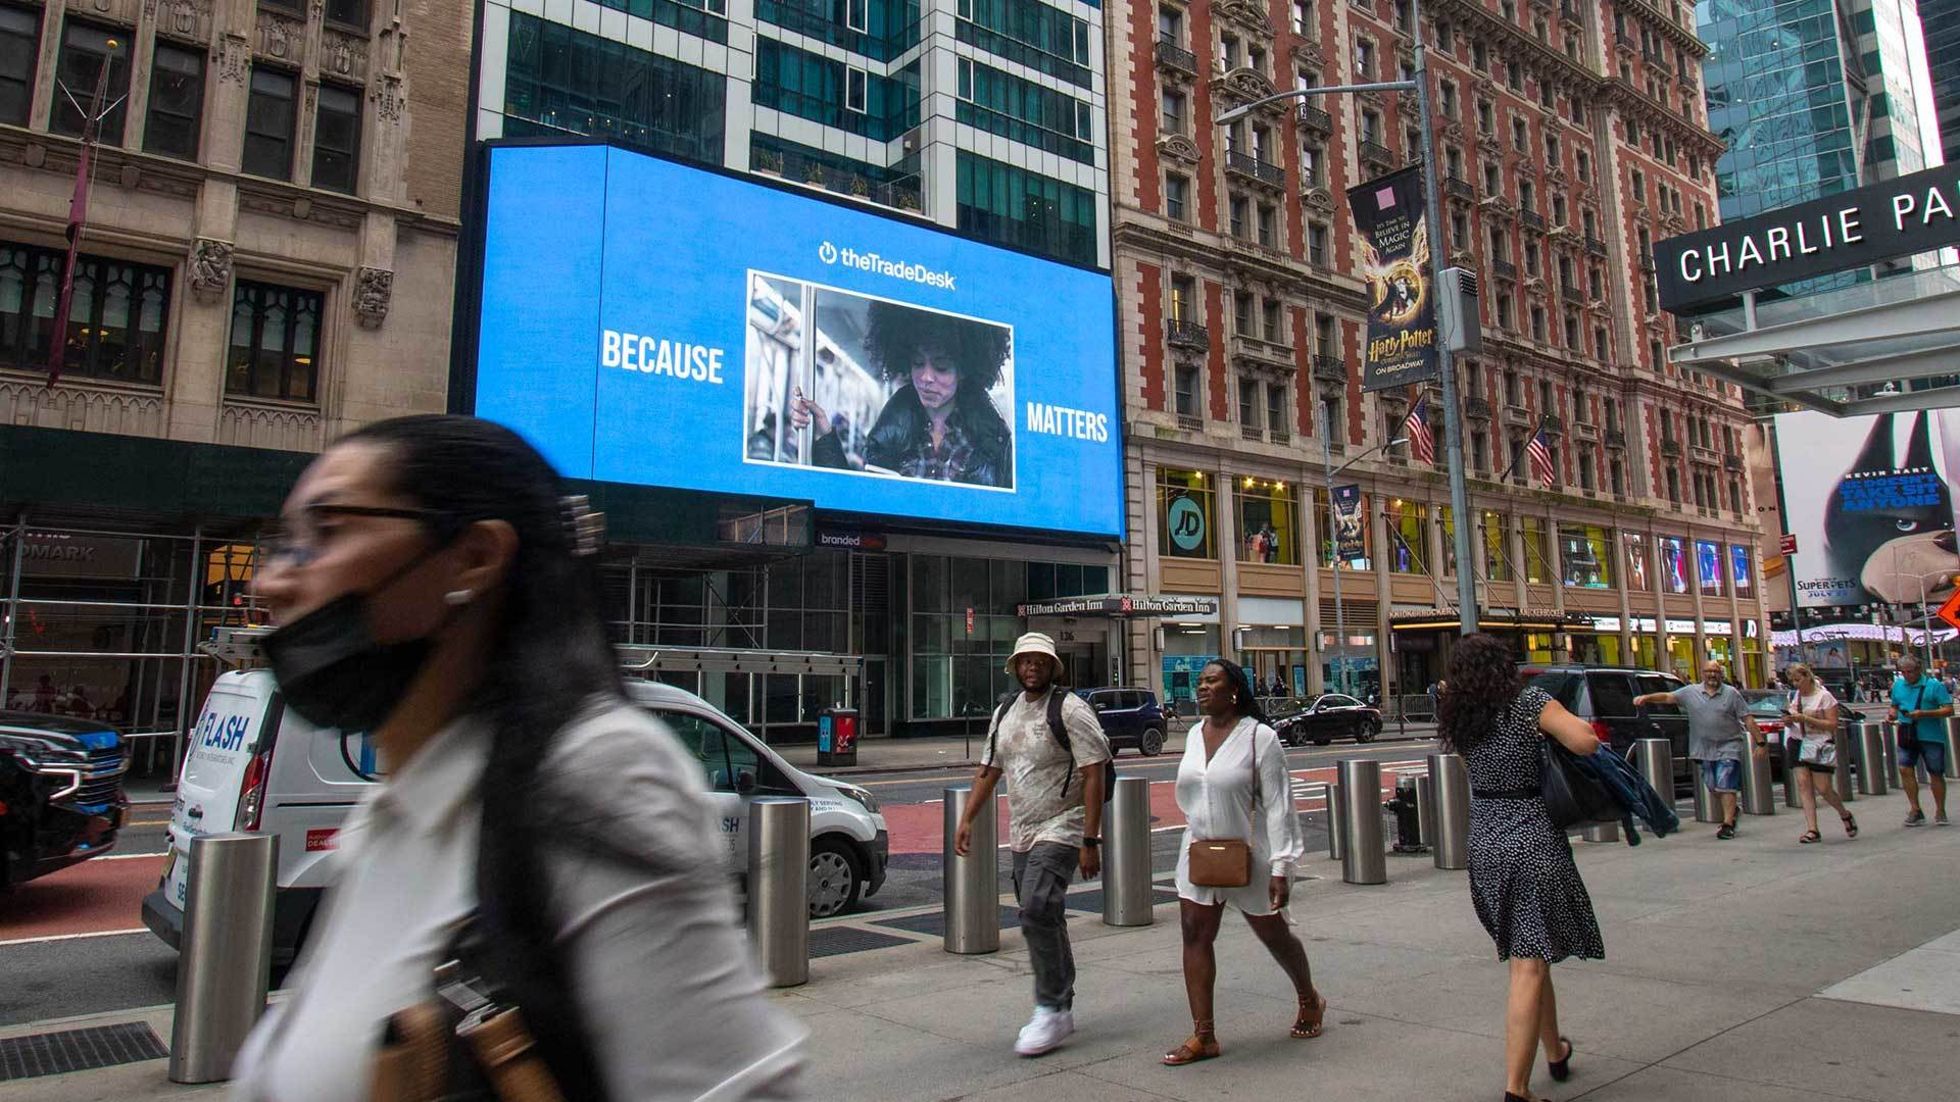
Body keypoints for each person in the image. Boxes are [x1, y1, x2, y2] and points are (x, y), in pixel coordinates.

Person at [230, 416, 803, 1101]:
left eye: (326, 531)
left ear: (473, 557)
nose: (271, 583)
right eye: (284, 542)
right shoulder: (386, 821)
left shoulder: (597, 775)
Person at [1437, 633, 1604, 1102]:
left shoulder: (1461, 716)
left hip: (1485, 839)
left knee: (1530, 952)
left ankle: (1555, 1050)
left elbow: (1474, 771)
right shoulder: (1529, 702)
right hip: (1530, 834)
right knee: (1527, 965)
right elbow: (1586, 742)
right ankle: (1517, 1090)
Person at [954, 632, 1109, 1057]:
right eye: (1025, 661)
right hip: (1022, 830)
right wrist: (967, 818)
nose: (1032, 667)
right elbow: (989, 769)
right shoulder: (1005, 711)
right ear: (1015, 667)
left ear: (1053, 666)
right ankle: (1064, 1004)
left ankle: (1051, 1006)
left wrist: (1090, 838)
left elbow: (1095, 773)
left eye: (1040, 660)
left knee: (1037, 907)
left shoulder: (1071, 709)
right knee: (1046, 914)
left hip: (1064, 823)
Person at [1161, 659, 1318, 1066]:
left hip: (1250, 854)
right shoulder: (1195, 734)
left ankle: (1309, 997)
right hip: (1199, 852)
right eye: (1199, 682)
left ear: (1234, 690)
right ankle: (1204, 1035)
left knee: (1274, 934)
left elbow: (1281, 805)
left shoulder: (1259, 738)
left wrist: (1282, 866)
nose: (1202, 687)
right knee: (1195, 935)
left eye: (1211, 680)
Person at [790, 300, 1012, 488]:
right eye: (917, 363)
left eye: (941, 367)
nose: (926, 377)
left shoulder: (993, 441)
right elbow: (856, 503)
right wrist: (824, 435)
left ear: (964, 370)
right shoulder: (888, 433)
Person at [1633, 660, 1765, 840]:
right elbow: (1668, 697)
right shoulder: (1690, 692)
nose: (1712, 675)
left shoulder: (1731, 694)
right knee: (1713, 786)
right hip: (1702, 748)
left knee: (1726, 785)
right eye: (1708, 672)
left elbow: (1747, 718)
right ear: (1702, 674)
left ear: (1721, 674)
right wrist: (1647, 698)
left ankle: (1728, 824)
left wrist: (1760, 742)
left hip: (1729, 745)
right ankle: (1732, 810)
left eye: (1715, 672)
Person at [1784, 664, 1857, 843]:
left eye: (1798, 679)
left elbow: (1832, 724)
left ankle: (1844, 813)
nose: (1796, 684)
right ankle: (1812, 829)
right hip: (1798, 740)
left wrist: (1807, 718)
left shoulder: (1824, 696)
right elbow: (1793, 720)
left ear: (1808, 677)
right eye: (1792, 681)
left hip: (1819, 743)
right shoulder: (1796, 697)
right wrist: (1788, 721)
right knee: (1803, 784)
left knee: (1823, 788)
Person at [1889, 654, 1953, 826]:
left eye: (1910, 672)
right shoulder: (1898, 686)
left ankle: (1940, 810)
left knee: (1935, 772)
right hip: (1906, 731)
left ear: (1918, 670)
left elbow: (1948, 709)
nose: (1907, 675)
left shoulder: (1934, 686)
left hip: (1930, 735)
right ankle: (1915, 809)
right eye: (1903, 672)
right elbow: (1894, 704)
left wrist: (1924, 713)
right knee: (1905, 768)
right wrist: (1893, 712)